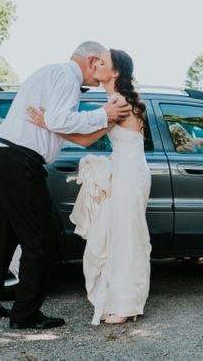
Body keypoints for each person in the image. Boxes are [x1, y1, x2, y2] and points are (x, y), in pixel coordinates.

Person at [0, 41, 131, 330]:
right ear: (92, 61)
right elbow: (59, 119)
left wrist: (52, 123)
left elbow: (55, 122)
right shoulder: (68, 77)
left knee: (3, 234)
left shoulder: (50, 72)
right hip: (19, 160)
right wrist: (103, 114)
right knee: (41, 240)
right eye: (101, 63)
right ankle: (25, 315)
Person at [27, 48, 151, 325]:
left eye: (102, 62)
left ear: (115, 72)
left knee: (125, 239)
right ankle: (121, 299)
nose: (96, 65)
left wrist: (47, 123)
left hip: (128, 177)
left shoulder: (119, 103)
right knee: (117, 236)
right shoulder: (118, 99)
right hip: (127, 171)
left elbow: (85, 139)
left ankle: (127, 304)